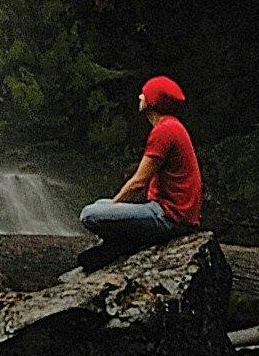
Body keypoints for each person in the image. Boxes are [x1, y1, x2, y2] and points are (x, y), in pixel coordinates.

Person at [81, 74, 202, 249]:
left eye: (144, 94)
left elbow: (138, 183)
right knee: (101, 205)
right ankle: (115, 246)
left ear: (153, 102)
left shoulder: (164, 131)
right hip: (178, 215)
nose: (139, 96)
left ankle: (117, 248)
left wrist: (115, 206)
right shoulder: (173, 126)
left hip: (169, 218)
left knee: (90, 214)